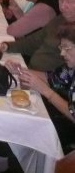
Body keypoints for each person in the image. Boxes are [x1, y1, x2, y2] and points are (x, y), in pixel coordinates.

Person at [0, 0, 75, 72]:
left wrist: (37, 76)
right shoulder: (59, 20)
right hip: (31, 70)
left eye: (70, 2)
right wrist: (7, 46)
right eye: (61, 0)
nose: (63, 6)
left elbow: (66, 75)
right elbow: (32, 42)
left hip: (43, 77)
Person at [16, 22, 75, 151]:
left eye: (67, 48)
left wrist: (44, 90)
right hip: (65, 119)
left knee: (26, 125)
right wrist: (19, 70)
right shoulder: (71, 69)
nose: (62, 53)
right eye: (61, 47)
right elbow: (51, 77)